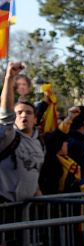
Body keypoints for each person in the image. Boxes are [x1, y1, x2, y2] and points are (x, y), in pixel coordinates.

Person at [0, 62, 45, 202]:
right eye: (19, 113)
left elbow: (33, 172)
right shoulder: (9, 137)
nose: (24, 115)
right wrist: (9, 78)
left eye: (29, 113)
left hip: (26, 212)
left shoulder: (40, 144)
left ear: (36, 119)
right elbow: (6, 114)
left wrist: (38, 193)